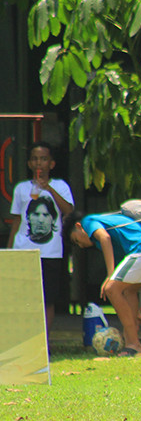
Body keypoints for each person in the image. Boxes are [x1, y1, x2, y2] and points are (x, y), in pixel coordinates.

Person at [65, 209, 141, 355]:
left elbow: (105, 238)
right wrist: (137, 313)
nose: (81, 245)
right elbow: (129, 278)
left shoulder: (88, 221)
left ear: (78, 226)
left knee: (111, 289)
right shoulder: (101, 240)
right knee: (129, 290)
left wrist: (110, 276)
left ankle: (134, 345)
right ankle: (133, 345)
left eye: (77, 240)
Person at [7, 141, 75, 330]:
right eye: (35, 159)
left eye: (43, 159)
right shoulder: (21, 188)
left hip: (50, 252)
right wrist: (10, 249)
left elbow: (68, 210)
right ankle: (24, 338)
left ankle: (44, 341)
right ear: (29, 164)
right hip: (24, 250)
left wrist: (49, 189)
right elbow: (16, 221)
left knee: (47, 299)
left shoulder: (60, 186)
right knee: (23, 299)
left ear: (51, 164)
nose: (39, 163)